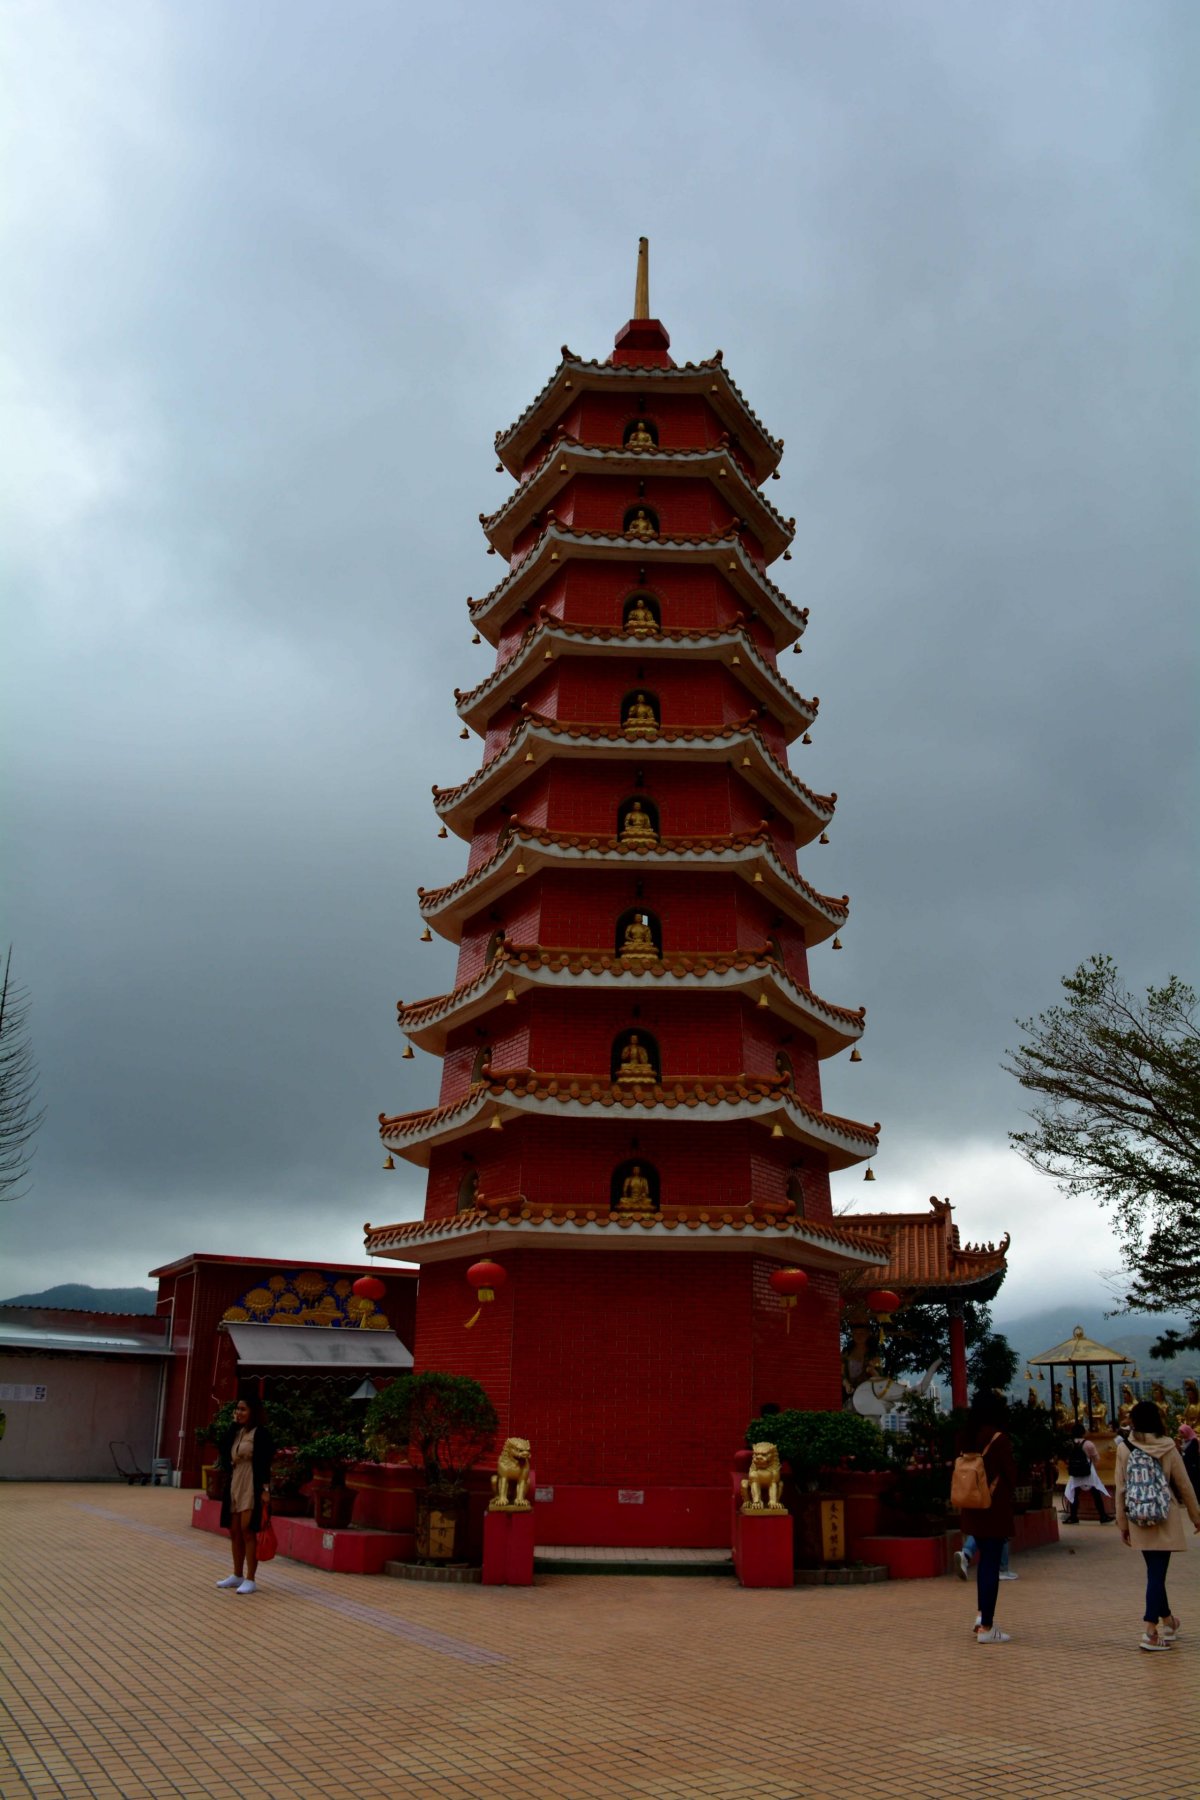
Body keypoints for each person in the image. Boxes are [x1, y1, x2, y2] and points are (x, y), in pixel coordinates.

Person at [1115, 1399, 1200, 1651]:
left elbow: (1121, 1489)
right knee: (1156, 1574)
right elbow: (1184, 1485)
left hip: (1138, 1517)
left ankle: (1169, 1622)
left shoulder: (1124, 1447)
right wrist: (1196, 1517)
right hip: (1164, 1516)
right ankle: (1150, 1631)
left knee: (1155, 1573)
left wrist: (1122, 1524)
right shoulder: (1168, 1446)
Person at [957, 1389, 1018, 1644]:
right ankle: (987, 1627)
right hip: (994, 1507)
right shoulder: (999, 1438)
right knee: (991, 1564)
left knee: (984, 1563)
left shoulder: (966, 1435)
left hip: (972, 1506)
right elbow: (1012, 1475)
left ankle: (981, 1617)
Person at [216, 1395, 274, 1595]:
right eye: (237, 1409)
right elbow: (223, 1448)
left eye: (243, 1409)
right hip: (235, 1481)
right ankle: (237, 1574)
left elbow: (265, 1463)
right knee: (234, 1530)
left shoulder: (262, 1434)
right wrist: (233, 1425)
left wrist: (265, 1490)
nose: (238, 1413)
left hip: (251, 1482)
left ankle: (251, 1578)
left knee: (247, 1529)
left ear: (253, 1412)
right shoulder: (237, 1431)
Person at [1064, 1423, 1111, 1523]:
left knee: (1074, 1493)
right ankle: (1102, 1515)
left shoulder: (1069, 1444)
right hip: (1088, 1471)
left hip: (1075, 1472)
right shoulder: (1088, 1444)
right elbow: (1096, 1458)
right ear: (1083, 1433)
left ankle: (1073, 1516)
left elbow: (1066, 1459)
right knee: (1095, 1492)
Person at [1177, 1422, 1200, 1504]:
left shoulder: (1193, 1441)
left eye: (1182, 1432)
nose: (1181, 1434)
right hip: (1187, 1465)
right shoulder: (1185, 1441)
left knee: (1195, 1482)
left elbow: (1193, 1454)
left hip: (1193, 1466)